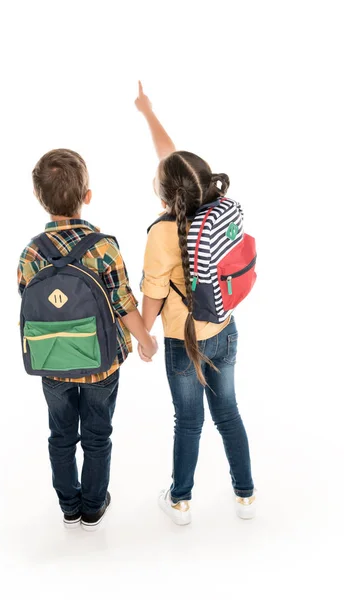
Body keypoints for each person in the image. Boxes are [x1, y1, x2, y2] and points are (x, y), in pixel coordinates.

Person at [18, 149, 158, 531]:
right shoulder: (102, 247)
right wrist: (145, 340)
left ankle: (69, 505)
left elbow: (29, 305)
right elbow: (124, 302)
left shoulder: (31, 252)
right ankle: (94, 506)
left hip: (53, 364)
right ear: (87, 196)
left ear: (38, 198)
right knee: (97, 433)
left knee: (61, 435)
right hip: (102, 364)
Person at [135, 83, 256, 525]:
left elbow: (153, 293)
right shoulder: (216, 205)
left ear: (166, 196)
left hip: (182, 341)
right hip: (224, 329)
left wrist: (143, 338)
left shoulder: (162, 234)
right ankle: (245, 494)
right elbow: (171, 158)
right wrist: (147, 112)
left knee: (188, 421)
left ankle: (181, 500)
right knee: (229, 412)